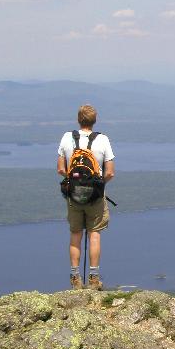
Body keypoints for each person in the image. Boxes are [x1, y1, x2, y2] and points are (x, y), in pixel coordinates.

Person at [57, 104, 115, 290]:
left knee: (75, 234)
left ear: (78, 119)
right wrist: (98, 185)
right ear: (94, 120)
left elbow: (60, 169)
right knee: (94, 233)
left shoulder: (67, 138)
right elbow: (110, 173)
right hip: (95, 197)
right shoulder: (103, 140)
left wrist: (73, 183)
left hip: (73, 197)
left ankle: (75, 278)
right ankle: (94, 279)